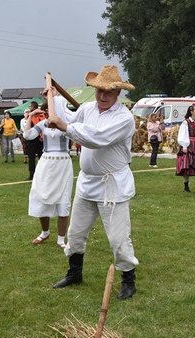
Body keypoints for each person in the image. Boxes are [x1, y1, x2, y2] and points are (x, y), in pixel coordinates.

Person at [48, 65, 139, 300]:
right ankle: (74, 273)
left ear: (118, 93)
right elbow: (68, 119)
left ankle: (128, 279)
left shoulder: (124, 118)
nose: (102, 96)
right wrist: (53, 99)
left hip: (113, 186)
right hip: (87, 183)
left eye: (108, 92)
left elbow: (97, 138)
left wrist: (66, 127)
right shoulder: (87, 108)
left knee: (118, 238)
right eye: (99, 91)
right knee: (76, 233)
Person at [24, 88, 74, 250]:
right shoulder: (42, 124)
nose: (47, 114)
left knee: (63, 200)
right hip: (46, 163)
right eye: (45, 111)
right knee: (42, 195)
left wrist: (55, 97)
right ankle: (45, 232)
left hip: (63, 163)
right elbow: (27, 135)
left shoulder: (65, 124)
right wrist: (31, 116)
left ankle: (61, 239)